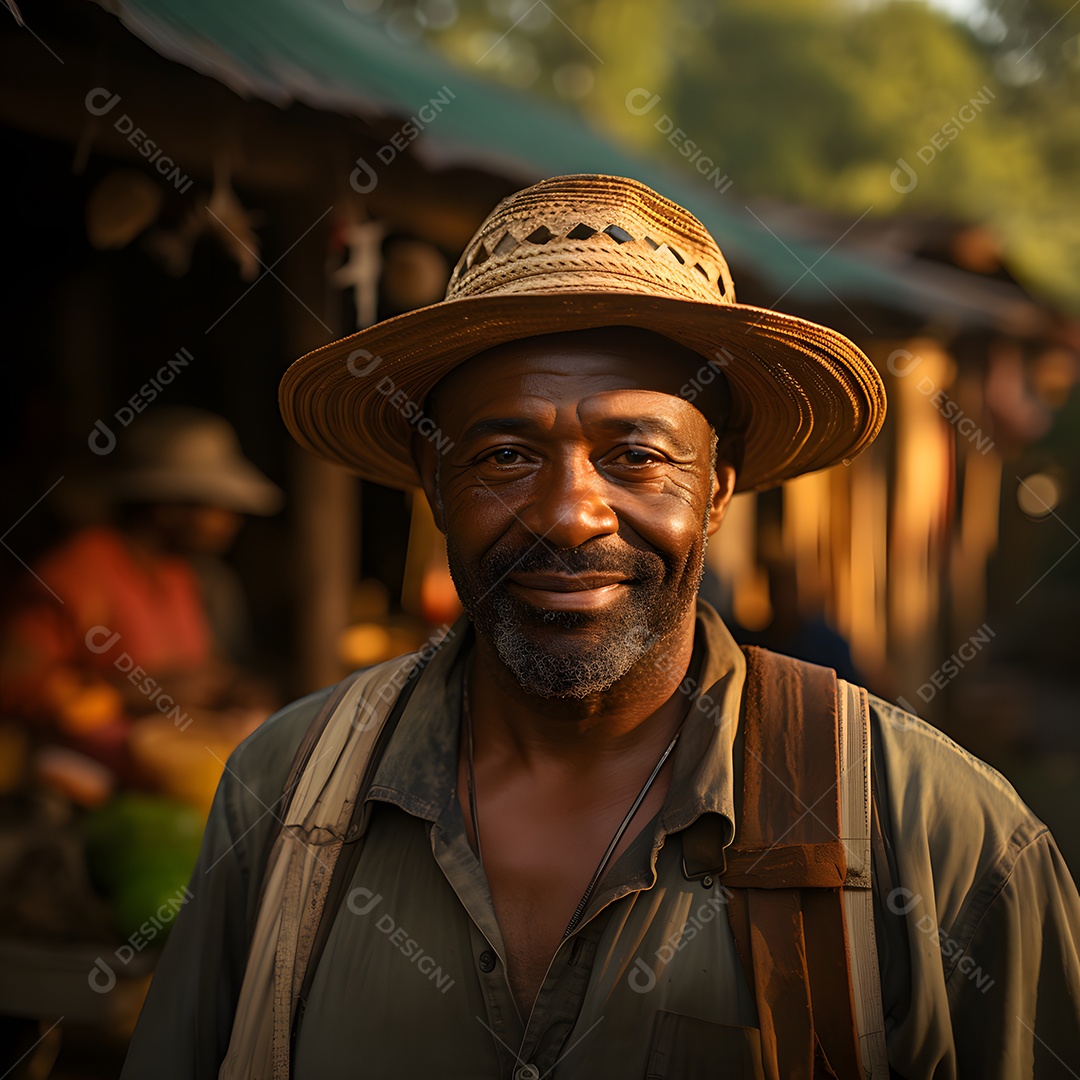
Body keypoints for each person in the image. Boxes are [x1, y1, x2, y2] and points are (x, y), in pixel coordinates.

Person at [121, 176, 1080, 1079]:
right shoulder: (284, 794)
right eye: (503, 453)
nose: (570, 514)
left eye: (635, 454)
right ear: (436, 488)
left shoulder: (939, 838)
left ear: (717, 489)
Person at [0, 407, 282, 773]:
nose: (231, 521)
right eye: (219, 506)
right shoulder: (78, 570)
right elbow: (14, 682)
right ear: (168, 506)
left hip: (175, 771)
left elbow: (196, 667)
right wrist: (132, 694)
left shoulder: (180, 573)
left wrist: (231, 687)